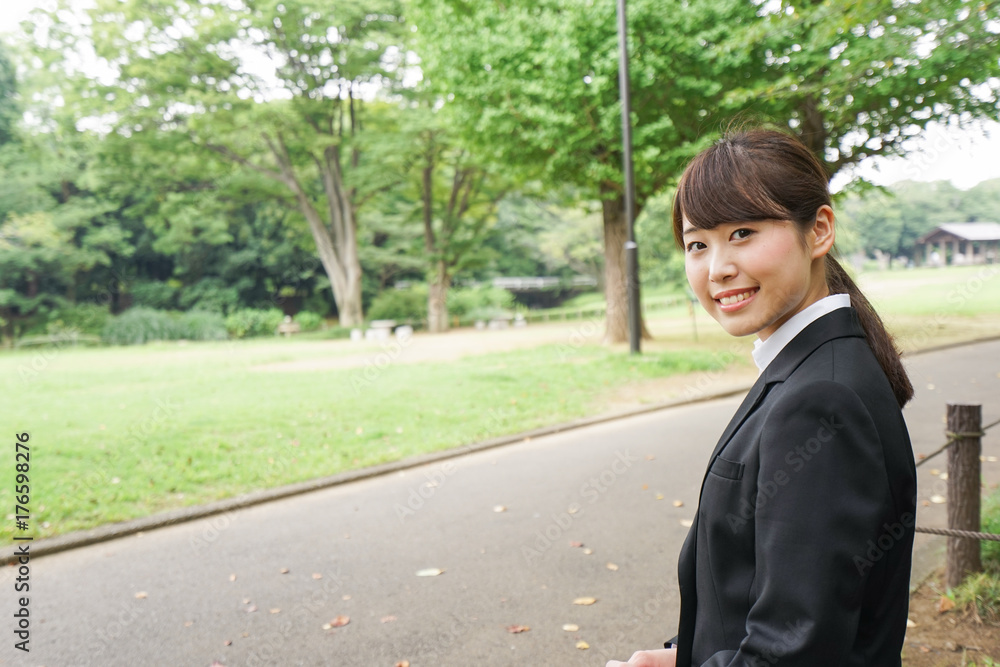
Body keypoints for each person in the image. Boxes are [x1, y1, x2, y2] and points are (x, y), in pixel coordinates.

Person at [606, 128, 917, 667]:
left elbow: (793, 655)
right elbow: (775, 597)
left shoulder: (821, 401)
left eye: (744, 232)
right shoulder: (812, 368)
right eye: (697, 243)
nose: (717, 267)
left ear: (818, 231)